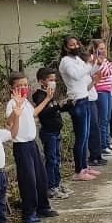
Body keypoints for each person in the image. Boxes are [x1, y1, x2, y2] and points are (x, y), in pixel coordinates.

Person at [4, 73, 58, 223]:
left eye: (25, 85)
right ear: (12, 88)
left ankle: (43, 206)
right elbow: (8, 122)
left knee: (40, 177)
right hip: (21, 146)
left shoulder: (26, 102)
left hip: (32, 143)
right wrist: (16, 111)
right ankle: (29, 213)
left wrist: (47, 99)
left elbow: (33, 113)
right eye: (19, 86)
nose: (23, 88)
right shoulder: (12, 103)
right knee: (28, 180)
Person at [58, 35, 99, 182]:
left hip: (85, 96)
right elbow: (76, 75)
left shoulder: (78, 59)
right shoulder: (66, 61)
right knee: (81, 137)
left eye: (76, 44)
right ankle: (78, 171)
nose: (75, 47)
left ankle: (84, 165)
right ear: (65, 47)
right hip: (76, 100)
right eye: (71, 45)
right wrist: (89, 65)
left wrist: (95, 64)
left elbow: (87, 72)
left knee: (86, 134)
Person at [33, 68, 69, 200]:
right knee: (51, 160)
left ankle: (57, 184)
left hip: (56, 131)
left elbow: (55, 109)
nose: (53, 82)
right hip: (48, 132)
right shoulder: (40, 95)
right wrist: (56, 106)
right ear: (41, 81)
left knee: (57, 159)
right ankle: (51, 186)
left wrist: (66, 105)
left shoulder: (50, 94)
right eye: (50, 80)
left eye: (54, 80)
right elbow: (44, 112)